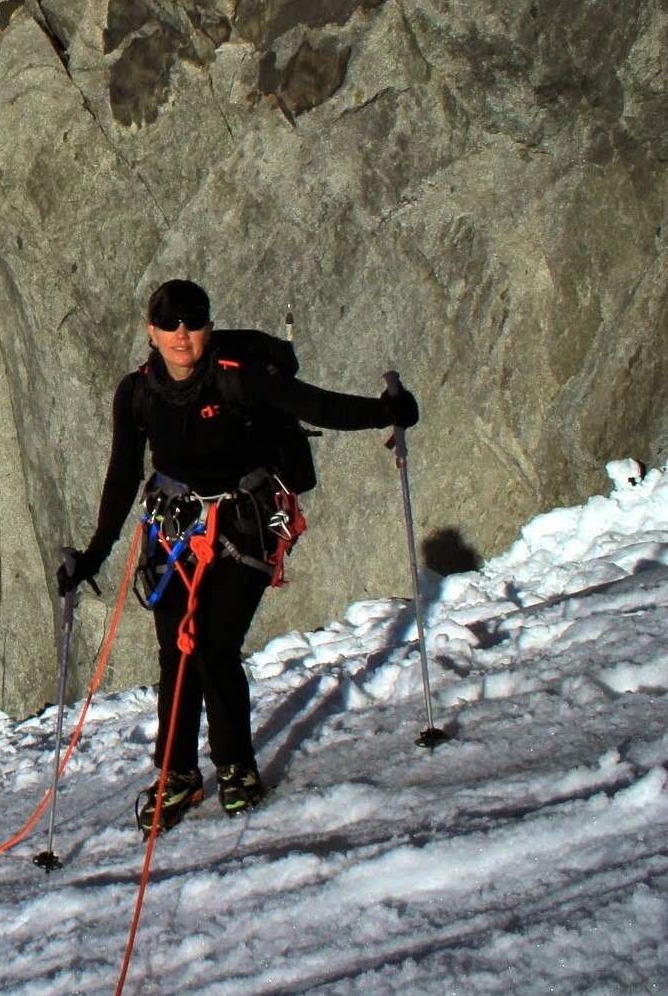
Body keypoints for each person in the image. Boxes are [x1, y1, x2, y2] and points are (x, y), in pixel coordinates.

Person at [59, 279, 419, 833]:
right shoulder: (137, 394)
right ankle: (178, 772)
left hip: (245, 525)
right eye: (170, 323)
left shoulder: (234, 379)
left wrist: (385, 412)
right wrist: (93, 556)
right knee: (176, 651)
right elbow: (122, 476)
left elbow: (312, 402)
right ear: (151, 332)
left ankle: (235, 765)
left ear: (207, 327)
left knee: (212, 642)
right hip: (174, 529)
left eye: (193, 321)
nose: (182, 334)